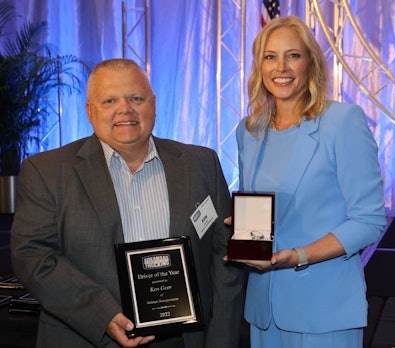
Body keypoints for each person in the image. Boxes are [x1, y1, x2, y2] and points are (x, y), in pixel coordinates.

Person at [11, 58, 244, 348]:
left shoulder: (201, 163)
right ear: (90, 111)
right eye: (109, 100)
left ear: (153, 104)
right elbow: (32, 256)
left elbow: (224, 260)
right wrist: (102, 314)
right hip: (88, 337)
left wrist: (221, 341)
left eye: (136, 98)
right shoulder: (47, 171)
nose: (125, 109)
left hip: (184, 340)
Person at [228, 15, 386, 348]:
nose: (280, 67)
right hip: (264, 312)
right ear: (259, 66)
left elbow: (369, 221)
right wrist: (241, 227)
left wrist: (298, 255)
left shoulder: (342, 122)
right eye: (270, 56)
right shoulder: (249, 131)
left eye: (293, 55)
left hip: (325, 310)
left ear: (310, 63)